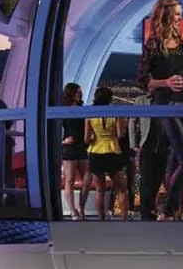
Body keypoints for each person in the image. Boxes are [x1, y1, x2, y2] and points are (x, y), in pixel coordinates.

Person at [137, 0, 183, 220]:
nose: (181, 18)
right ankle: (167, 210)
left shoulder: (181, 44)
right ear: (167, 15)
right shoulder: (152, 44)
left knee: (179, 162)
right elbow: (142, 81)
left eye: (181, 13)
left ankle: (170, 210)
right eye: (178, 13)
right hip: (166, 106)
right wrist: (166, 82)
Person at [84, 87, 128, 220]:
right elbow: (121, 134)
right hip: (113, 150)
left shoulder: (90, 114)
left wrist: (96, 138)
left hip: (96, 151)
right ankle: (124, 218)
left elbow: (86, 138)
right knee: (121, 188)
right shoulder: (115, 113)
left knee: (99, 189)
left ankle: (101, 217)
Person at [129, 92, 170, 221]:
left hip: (163, 146)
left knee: (157, 180)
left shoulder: (166, 99)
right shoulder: (140, 100)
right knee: (146, 180)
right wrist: (134, 144)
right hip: (146, 145)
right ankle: (145, 212)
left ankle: (150, 209)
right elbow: (133, 122)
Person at [60, 82, 92, 219]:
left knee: (87, 179)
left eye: (80, 92)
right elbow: (53, 131)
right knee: (70, 180)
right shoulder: (63, 110)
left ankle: (82, 208)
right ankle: (73, 211)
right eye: (77, 92)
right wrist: (63, 141)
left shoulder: (82, 109)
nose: (80, 94)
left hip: (82, 147)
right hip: (69, 148)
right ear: (71, 93)